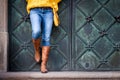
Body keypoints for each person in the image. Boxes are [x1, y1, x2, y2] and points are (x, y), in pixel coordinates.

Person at [26, 0, 61, 73]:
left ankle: (43, 64)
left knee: (46, 38)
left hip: (48, 10)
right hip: (34, 9)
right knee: (36, 32)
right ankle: (37, 50)